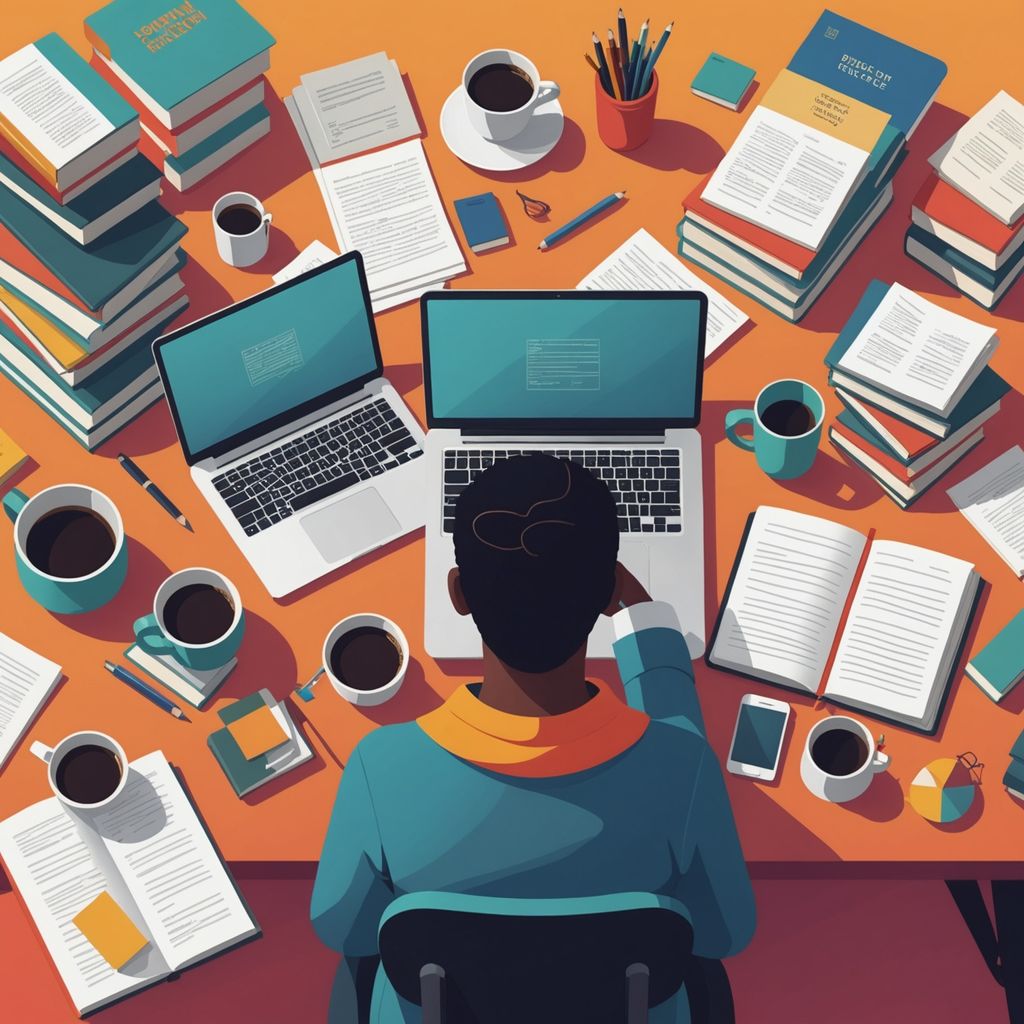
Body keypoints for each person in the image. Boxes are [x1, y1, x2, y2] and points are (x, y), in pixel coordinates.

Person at [312, 454, 755, 1022]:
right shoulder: (682, 764)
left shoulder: (380, 765)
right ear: (607, 593)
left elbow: (342, 929)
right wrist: (651, 636)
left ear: (458, 593)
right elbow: (723, 934)